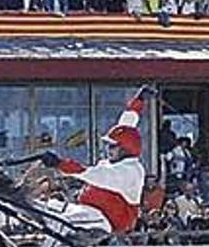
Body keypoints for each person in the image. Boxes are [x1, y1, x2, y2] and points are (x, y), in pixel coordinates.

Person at [38, 85, 152, 238]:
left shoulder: (130, 171)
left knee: (60, 220)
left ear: (125, 149)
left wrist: (60, 164)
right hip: (92, 211)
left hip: (109, 220)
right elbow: (127, 123)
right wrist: (139, 100)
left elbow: (95, 175)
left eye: (112, 147)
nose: (108, 150)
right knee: (47, 207)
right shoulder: (117, 160)